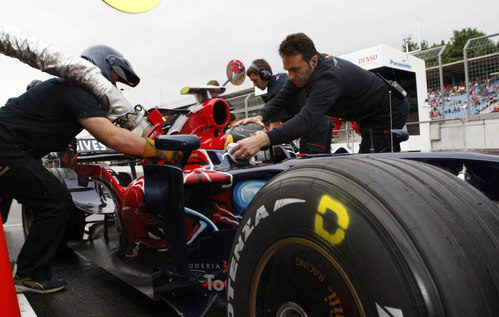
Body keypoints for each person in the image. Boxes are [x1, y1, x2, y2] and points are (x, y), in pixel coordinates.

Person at [0, 45, 176, 294]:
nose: (114, 87)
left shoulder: (67, 88)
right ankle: (30, 275)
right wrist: (157, 149)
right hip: (7, 149)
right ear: (100, 68)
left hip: (11, 149)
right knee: (55, 202)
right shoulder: (76, 90)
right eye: (114, 78)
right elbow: (112, 136)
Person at [231, 33, 409, 159]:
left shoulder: (328, 78)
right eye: (287, 70)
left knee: (376, 165)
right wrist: (261, 115)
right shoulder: (305, 69)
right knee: (366, 160)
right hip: (366, 113)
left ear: (313, 61)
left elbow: (306, 119)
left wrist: (262, 140)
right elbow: (283, 98)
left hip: (388, 109)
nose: (290, 76)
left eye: (294, 69)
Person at [246, 59, 333, 154]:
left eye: (255, 80)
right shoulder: (283, 78)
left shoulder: (275, 90)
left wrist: (257, 143)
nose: (254, 84)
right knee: (324, 162)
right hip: (324, 120)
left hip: (313, 126)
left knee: (309, 164)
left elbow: (274, 127)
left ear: (264, 74)